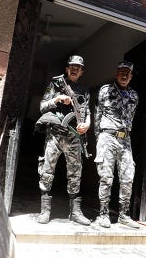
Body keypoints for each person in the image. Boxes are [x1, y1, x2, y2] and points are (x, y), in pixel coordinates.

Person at [35, 55, 91, 225]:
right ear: (67, 69)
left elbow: (87, 113)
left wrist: (87, 125)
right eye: (71, 67)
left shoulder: (84, 90)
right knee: (47, 171)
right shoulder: (56, 84)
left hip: (74, 136)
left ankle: (75, 212)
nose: (74, 69)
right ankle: (45, 211)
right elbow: (42, 106)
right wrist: (57, 99)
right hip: (55, 134)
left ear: (81, 72)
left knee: (75, 174)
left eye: (78, 68)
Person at [94, 61, 140, 228]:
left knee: (128, 177)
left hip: (125, 140)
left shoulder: (134, 96)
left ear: (131, 76)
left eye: (128, 73)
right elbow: (97, 113)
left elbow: (131, 117)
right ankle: (103, 214)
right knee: (106, 177)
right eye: (121, 72)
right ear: (116, 73)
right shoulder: (105, 90)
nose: (124, 75)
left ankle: (123, 215)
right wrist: (98, 138)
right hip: (108, 137)